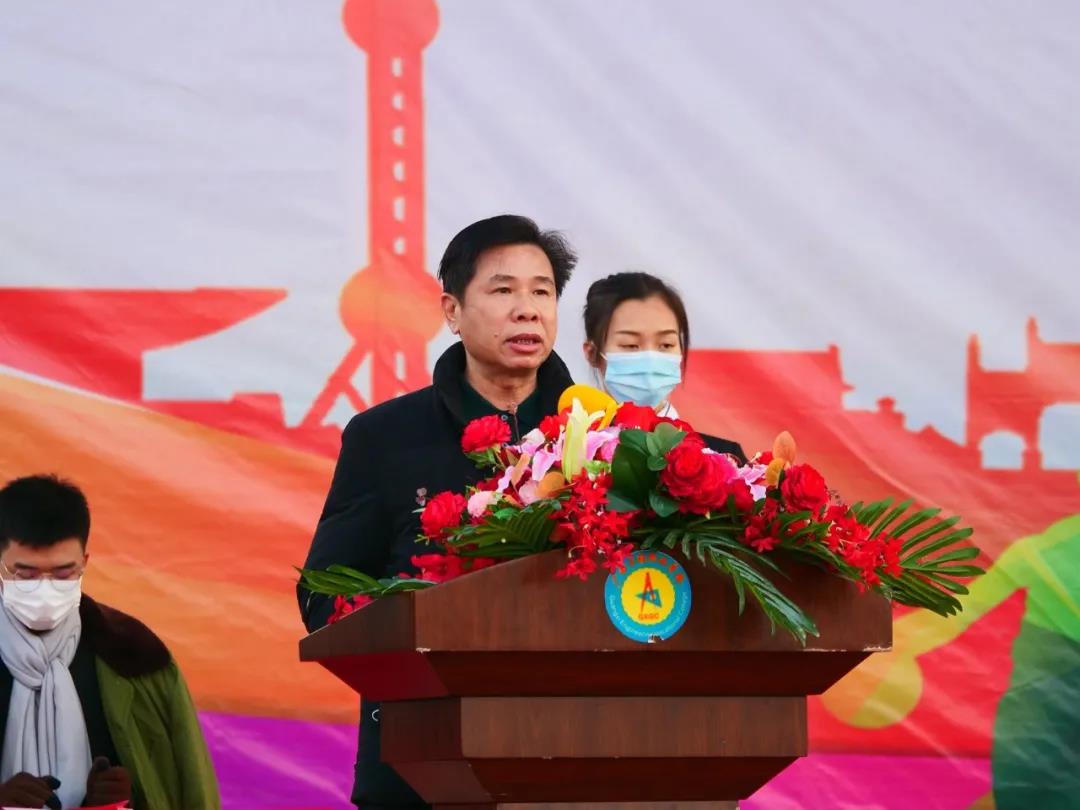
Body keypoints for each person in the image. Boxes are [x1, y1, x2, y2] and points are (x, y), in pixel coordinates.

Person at [299, 214, 577, 809]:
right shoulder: (385, 437)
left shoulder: (604, 437)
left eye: (542, 292)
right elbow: (325, 598)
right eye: (503, 290)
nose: (527, 310)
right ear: (452, 311)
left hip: (573, 758)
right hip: (419, 763)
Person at [0, 474, 219, 810]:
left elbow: (189, 787)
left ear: (84, 563)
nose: (45, 588)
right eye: (26, 573)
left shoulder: (135, 656)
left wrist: (130, 800)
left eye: (63, 573)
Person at [582, 271, 747, 463]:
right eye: (630, 345)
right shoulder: (565, 456)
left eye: (666, 345)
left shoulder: (724, 460)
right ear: (592, 353)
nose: (650, 359)